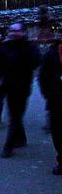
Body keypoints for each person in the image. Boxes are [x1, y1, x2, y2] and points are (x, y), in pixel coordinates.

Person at [0, 22, 41, 158]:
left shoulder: (30, 46)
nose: (13, 33)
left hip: (22, 86)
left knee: (15, 115)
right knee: (14, 114)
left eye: (17, 31)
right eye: (11, 30)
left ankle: (8, 145)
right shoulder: (5, 46)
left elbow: (36, 61)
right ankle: (21, 138)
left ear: (23, 32)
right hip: (8, 86)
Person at [39, 39, 62, 175]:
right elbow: (43, 76)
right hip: (57, 100)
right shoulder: (51, 53)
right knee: (58, 132)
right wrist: (49, 94)